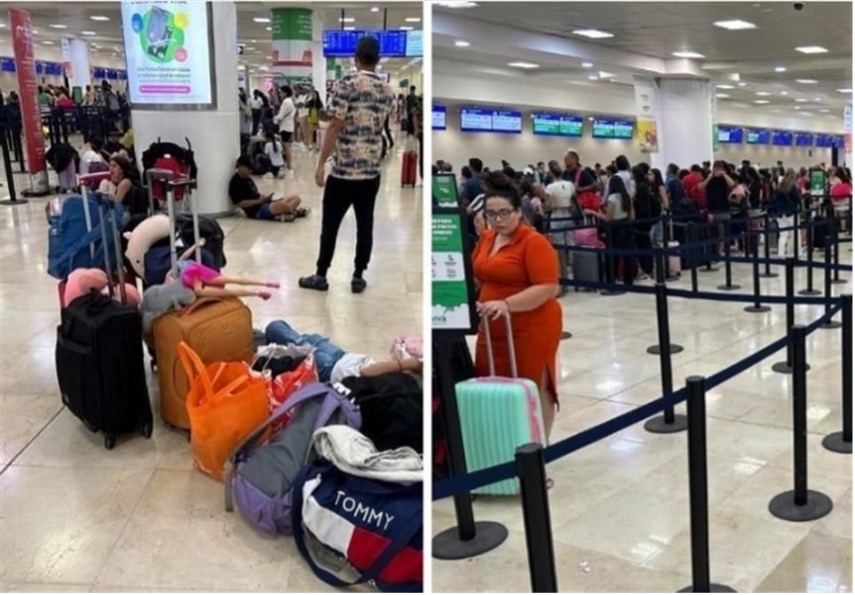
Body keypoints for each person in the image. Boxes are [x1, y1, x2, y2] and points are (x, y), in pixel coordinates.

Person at [299, 36, 394, 294]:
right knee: (365, 223)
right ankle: (358, 275)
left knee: (330, 224)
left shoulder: (346, 84)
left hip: (343, 172)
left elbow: (335, 125)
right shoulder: (387, 91)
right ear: (378, 59)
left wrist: (321, 163)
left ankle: (321, 275)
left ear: (355, 57)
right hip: (371, 172)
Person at [471, 171, 562, 440]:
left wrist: (506, 303)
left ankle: (539, 448)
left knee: (533, 385)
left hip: (531, 327)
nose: (498, 220)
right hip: (492, 328)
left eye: (504, 213)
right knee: (493, 383)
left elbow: (548, 287)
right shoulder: (487, 238)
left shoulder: (533, 242)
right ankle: (505, 442)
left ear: (519, 212)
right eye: (491, 214)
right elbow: (479, 273)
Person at [585, 175, 636, 286]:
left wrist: (593, 212)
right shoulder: (626, 196)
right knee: (627, 255)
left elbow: (608, 218)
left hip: (615, 228)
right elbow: (632, 216)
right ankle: (629, 280)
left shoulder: (612, 198)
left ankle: (611, 280)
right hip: (626, 226)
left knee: (613, 256)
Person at [228, 155, 307, 221]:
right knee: (283, 205)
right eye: (249, 168)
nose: (251, 171)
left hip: (263, 203)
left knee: (296, 198)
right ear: (241, 166)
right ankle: (290, 211)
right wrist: (258, 201)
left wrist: (265, 199)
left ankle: (287, 212)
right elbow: (240, 203)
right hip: (256, 210)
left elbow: (255, 194)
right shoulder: (235, 183)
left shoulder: (248, 179)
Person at [544, 160, 576, 291]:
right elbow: (574, 201)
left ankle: (564, 280)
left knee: (560, 248)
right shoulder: (570, 184)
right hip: (568, 213)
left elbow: (550, 206)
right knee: (572, 245)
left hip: (557, 215)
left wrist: (543, 206)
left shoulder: (550, 188)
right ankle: (576, 274)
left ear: (551, 172)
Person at [698, 160, 736, 254]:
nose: (718, 170)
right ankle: (713, 251)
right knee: (712, 232)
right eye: (716, 168)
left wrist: (724, 175)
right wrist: (709, 178)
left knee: (722, 233)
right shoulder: (709, 177)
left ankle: (720, 250)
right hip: (711, 209)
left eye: (720, 168)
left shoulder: (725, 179)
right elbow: (700, 187)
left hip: (723, 208)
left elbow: (732, 184)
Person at [770, 169, 800, 257]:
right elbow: (797, 200)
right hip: (791, 213)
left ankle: (781, 253)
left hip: (780, 213)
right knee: (795, 233)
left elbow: (774, 200)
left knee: (783, 235)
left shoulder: (779, 187)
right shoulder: (793, 187)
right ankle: (795, 252)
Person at [273, 85, 296, 176]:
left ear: (285, 93)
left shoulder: (286, 102)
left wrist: (274, 118)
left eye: (281, 92)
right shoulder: (290, 101)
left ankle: (289, 166)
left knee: (286, 147)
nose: (280, 94)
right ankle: (288, 165)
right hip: (289, 126)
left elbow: (281, 116)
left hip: (285, 126)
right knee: (287, 146)